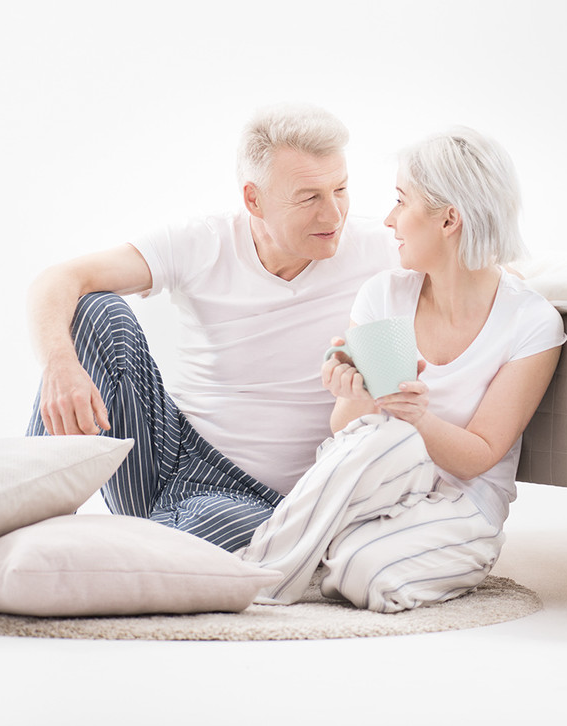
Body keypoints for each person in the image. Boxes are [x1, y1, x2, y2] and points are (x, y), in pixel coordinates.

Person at [26, 105, 398, 551]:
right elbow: (58, 279)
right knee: (96, 309)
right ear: (254, 199)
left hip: (256, 499)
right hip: (168, 452)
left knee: (218, 527)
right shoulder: (205, 241)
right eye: (309, 198)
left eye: (340, 189)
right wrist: (59, 365)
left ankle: (120, 550)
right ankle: (23, 522)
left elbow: (472, 273)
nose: (333, 215)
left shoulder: (383, 252)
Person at [238, 127, 566, 613]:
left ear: (449, 218)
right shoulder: (384, 295)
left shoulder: (531, 322)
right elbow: (345, 429)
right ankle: (258, 577)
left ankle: (333, 554)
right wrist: (356, 390)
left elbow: (478, 457)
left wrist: (417, 417)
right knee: (383, 436)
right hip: (385, 478)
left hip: (464, 504)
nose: (389, 219)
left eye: (400, 200)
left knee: (362, 574)